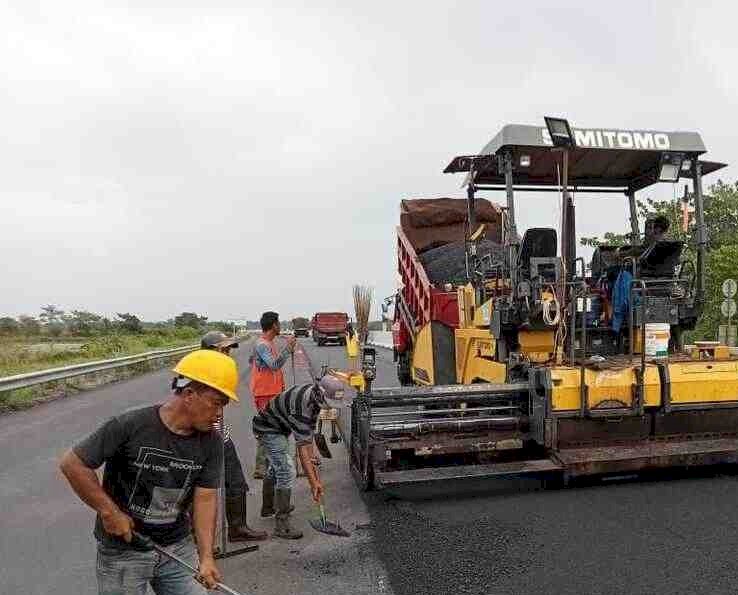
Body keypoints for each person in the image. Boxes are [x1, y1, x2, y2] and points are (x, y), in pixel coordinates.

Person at [59, 349, 238, 594]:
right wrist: (109, 512)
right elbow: (73, 464)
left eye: (223, 406)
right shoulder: (130, 425)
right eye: (216, 403)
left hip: (177, 547)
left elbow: (205, 499)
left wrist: (206, 557)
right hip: (123, 552)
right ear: (189, 395)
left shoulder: (212, 442)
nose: (219, 414)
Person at [252, 374, 346, 539]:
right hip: (269, 429)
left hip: (280, 425)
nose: (329, 407)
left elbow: (308, 435)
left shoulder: (316, 400)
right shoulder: (302, 407)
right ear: (320, 393)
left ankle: (269, 506)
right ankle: (282, 525)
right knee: (286, 471)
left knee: (277, 465)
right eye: (328, 403)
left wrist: (313, 455)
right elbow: (302, 448)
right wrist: (314, 483)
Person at [199, 331, 267, 542]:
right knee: (199, 490)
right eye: (225, 350)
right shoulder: (198, 373)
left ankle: (237, 528)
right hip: (200, 436)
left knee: (235, 482)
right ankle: (198, 540)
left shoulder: (222, 371)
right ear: (213, 351)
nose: (229, 354)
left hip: (221, 434)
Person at [249, 311, 296, 479]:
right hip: (265, 393)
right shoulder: (263, 344)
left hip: (272, 392)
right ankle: (264, 467)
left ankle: (266, 465)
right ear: (273, 325)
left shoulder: (268, 343)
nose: (280, 326)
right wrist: (288, 348)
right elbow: (274, 365)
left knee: (270, 428)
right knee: (269, 429)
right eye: (278, 323)